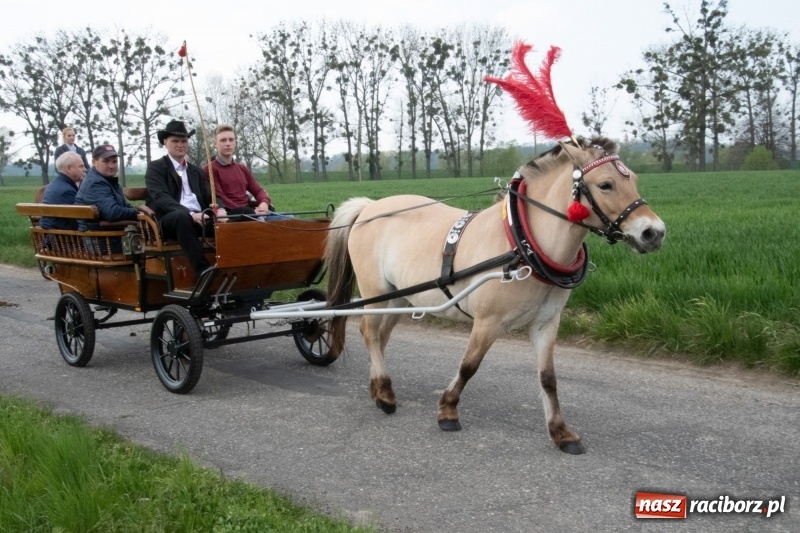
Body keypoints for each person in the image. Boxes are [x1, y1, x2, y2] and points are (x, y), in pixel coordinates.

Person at [145, 120, 227, 276]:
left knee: (240, 214)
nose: (180, 144)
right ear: (165, 142)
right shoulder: (156, 168)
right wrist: (190, 214)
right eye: (175, 141)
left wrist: (220, 210)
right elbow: (161, 197)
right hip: (171, 221)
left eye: (183, 141)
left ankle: (235, 265)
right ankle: (203, 271)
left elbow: (210, 194)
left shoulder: (195, 171)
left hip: (200, 217)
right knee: (182, 217)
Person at [74, 144, 154, 252]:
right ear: (94, 162)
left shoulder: (107, 181)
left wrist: (137, 210)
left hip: (111, 237)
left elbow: (124, 206)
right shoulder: (95, 183)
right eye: (106, 161)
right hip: (103, 242)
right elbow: (112, 213)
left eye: (114, 161)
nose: (111, 166)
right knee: (157, 242)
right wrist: (138, 213)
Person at [204, 124, 287, 221]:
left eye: (231, 140)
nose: (228, 143)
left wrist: (264, 203)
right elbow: (220, 198)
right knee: (261, 222)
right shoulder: (210, 169)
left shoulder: (242, 168)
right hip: (232, 215)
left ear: (235, 142)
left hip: (251, 212)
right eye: (223, 140)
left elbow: (258, 190)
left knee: (289, 220)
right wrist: (250, 212)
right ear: (215, 143)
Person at [40, 152, 87, 230]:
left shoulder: (55, 185)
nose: (85, 169)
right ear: (69, 168)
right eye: (81, 166)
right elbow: (80, 223)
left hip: (54, 238)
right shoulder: (66, 192)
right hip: (67, 240)